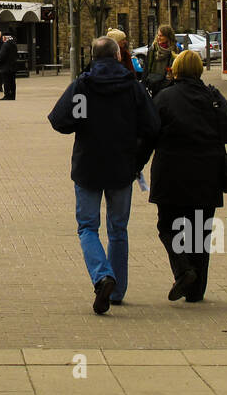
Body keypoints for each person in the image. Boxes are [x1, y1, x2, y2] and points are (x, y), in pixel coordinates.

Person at [48, 35, 160, 313]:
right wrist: (137, 155)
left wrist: (83, 119)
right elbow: (153, 126)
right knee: (118, 229)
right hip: (122, 166)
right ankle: (117, 289)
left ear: (93, 57)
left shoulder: (84, 86)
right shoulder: (132, 88)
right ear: (118, 56)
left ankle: (102, 276)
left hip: (88, 165)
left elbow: (60, 121)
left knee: (87, 226)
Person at [148, 49, 227, 303]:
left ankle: (183, 269)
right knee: (199, 231)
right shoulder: (213, 96)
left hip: (171, 174)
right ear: (199, 70)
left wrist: (135, 163)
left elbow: (150, 133)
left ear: (176, 70)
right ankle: (196, 290)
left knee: (168, 226)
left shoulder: (165, 98)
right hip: (207, 175)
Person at [143, 25, 175, 97]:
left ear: (168, 37)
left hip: (168, 85)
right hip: (154, 84)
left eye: (162, 36)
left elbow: (174, 69)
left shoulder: (174, 50)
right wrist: (144, 84)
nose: (159, 37)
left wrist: (167, 83)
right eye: (158, 35)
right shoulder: (152, 49)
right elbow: (147, 67)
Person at [0, 33, 18, 100]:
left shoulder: (5, 45)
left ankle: (7, 95)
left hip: (5, 67)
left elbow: (2, 55)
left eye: (3, 37)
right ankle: (13, 95)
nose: (2, 39)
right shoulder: (14, 44)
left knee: (6, 82)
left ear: (6, 37)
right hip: (13, 66)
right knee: (12, 82)